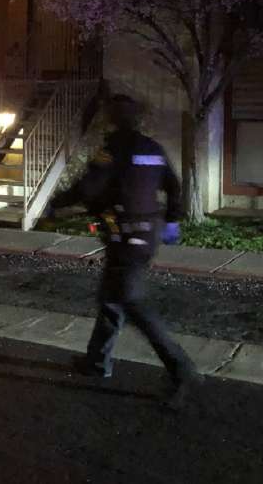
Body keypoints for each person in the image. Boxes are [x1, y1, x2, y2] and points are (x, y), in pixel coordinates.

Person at [47, 94, 201, 408]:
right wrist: (172, 220)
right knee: (111, 297)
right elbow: (174, 186)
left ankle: (182, 368)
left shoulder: (113, 149)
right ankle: (97, 361)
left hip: (127, 237)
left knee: (131, 302)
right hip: (148, 234)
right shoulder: (153, 149)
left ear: (113, 119)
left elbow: (87, 188)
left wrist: (55, 204)